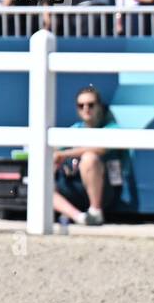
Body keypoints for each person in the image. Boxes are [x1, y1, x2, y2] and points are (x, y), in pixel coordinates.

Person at [53, 86, 128, 227]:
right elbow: (55, 149)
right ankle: (81, 218)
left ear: (99, 106)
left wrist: (63, 154)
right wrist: (54, 158)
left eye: (91, 105)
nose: (86, 109)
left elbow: (100, 149)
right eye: (81, 105)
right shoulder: (75, 129)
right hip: (72, 189)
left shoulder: (112, 128)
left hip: (105, 191)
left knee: (89, 158)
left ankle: (95, 212)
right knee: (43, 179)